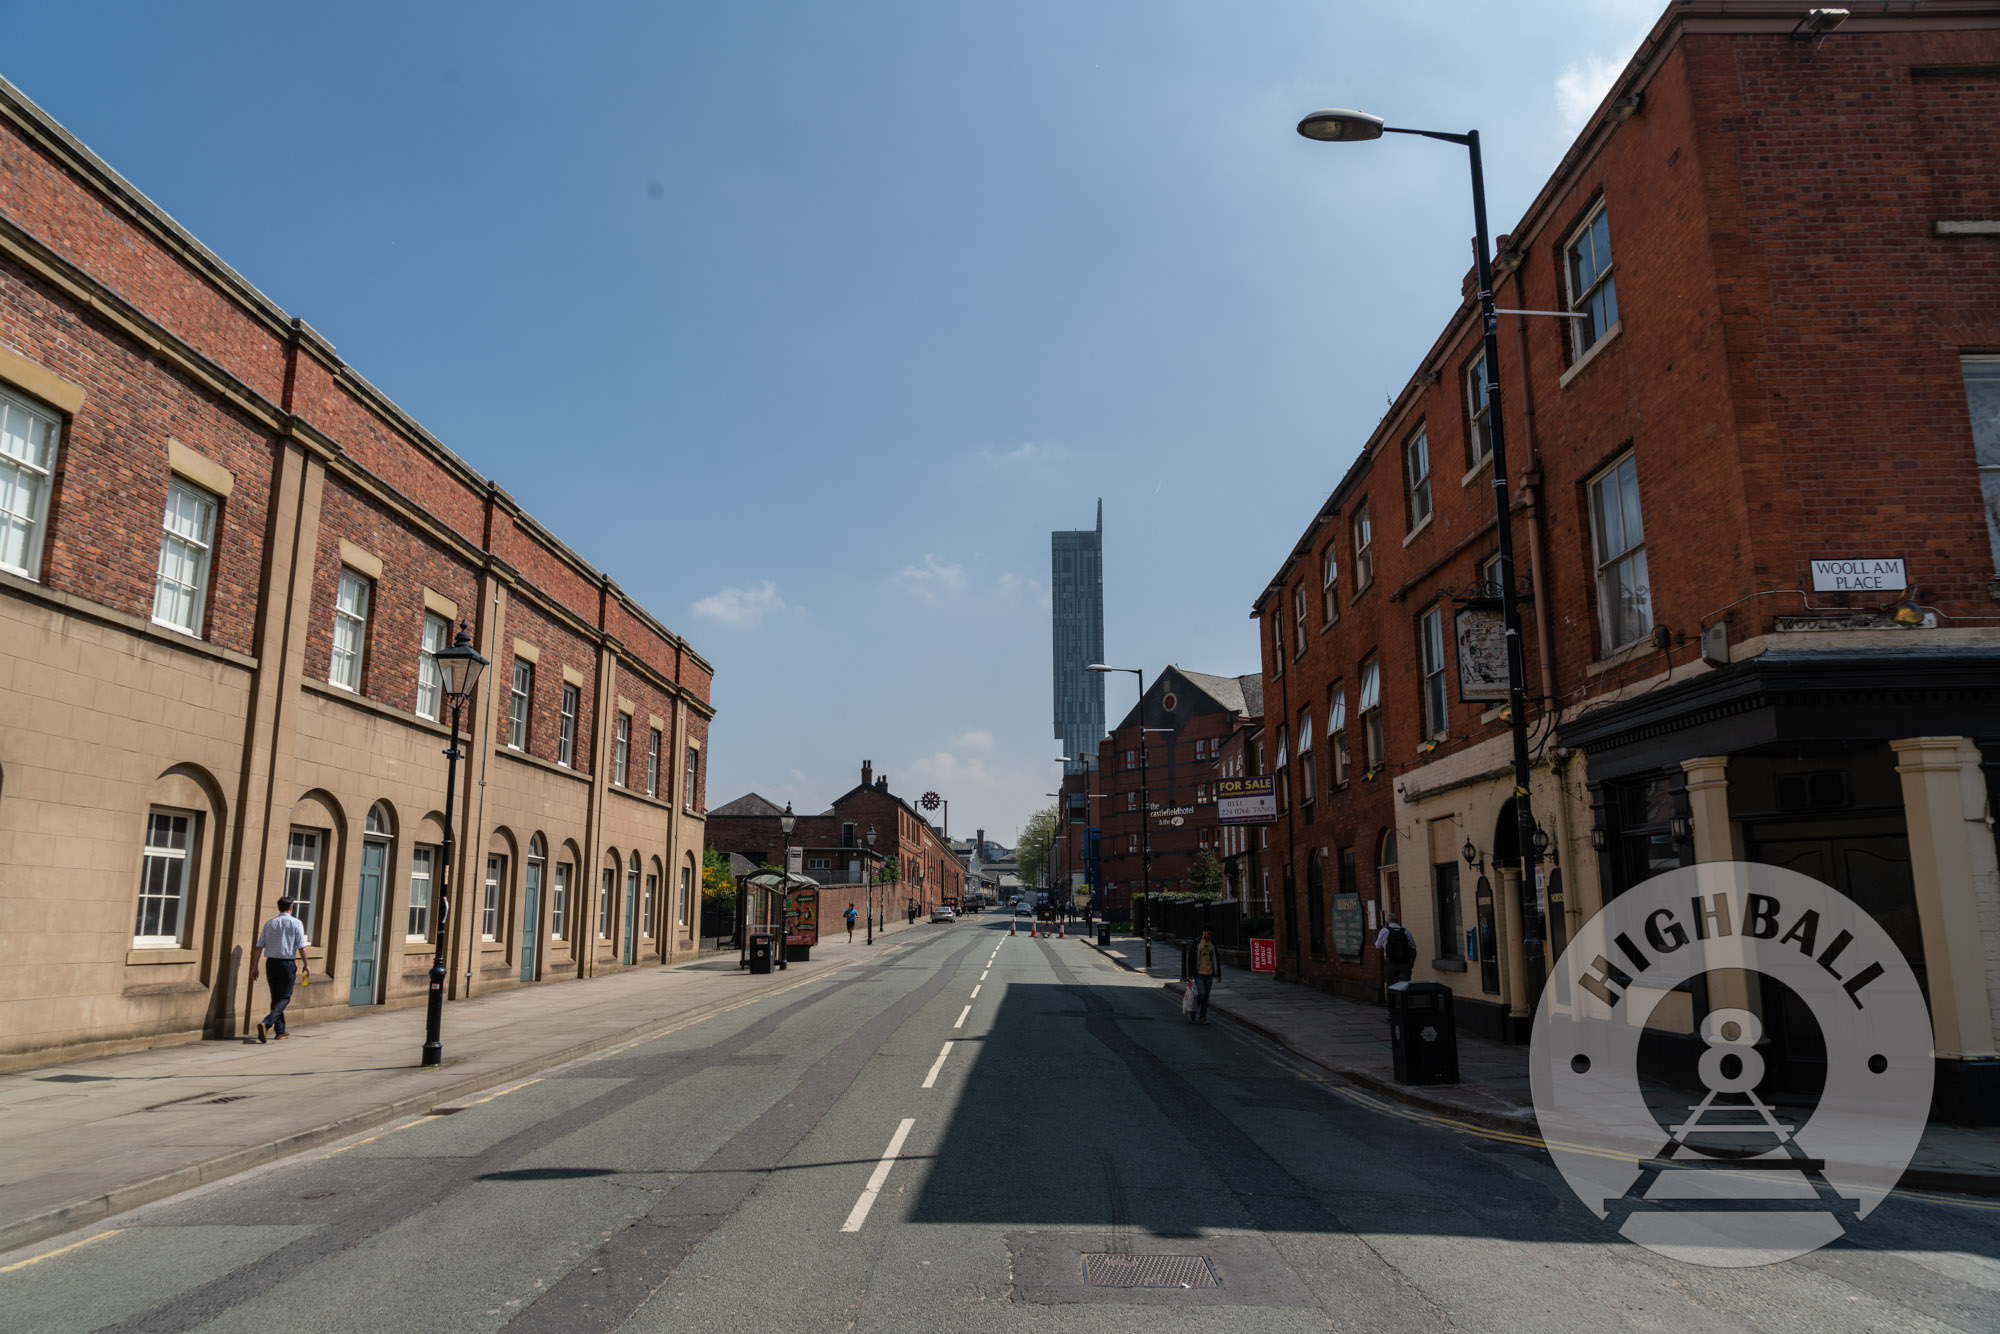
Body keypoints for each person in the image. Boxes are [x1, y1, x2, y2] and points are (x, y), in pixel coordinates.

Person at [247, 896, 308, 1042]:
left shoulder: (270, 923)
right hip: (287, 964)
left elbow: (259, 946)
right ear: (291, 908)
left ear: (278, 907)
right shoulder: (296, 923)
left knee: (276, 998)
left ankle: (280, 1031)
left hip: (271, 964)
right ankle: (267, 1023)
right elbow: (301, 946)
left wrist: (254, 967)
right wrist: (306, 964)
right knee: (285, 997)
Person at [1377, 913, 1417, 991]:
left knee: (1391, 986)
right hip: (1405, 963)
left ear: (1387, 921)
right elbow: (1413, 949)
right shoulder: (1406, 931)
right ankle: (1404, 1002)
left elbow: (1378, 946)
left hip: (1390, 962)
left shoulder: (1384, 931)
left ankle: (1392, 1002)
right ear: (1397, 920)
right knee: (1405, 986)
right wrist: (1412, 961)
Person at [1191, 928, 1221, 1024]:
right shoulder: (1196, 942)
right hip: (1199, 973)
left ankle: (1202, 1017)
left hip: (1209, 974)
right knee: (1202, 993)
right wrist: (1189, 974)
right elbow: (1190, 959)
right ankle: (1194, 1008)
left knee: (1206, 997)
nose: (1209, 936)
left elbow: (1216, 959)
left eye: (1210, 934)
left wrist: (1218, 974)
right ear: (1203, 932)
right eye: (1208, 934)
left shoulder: (1213, 944)